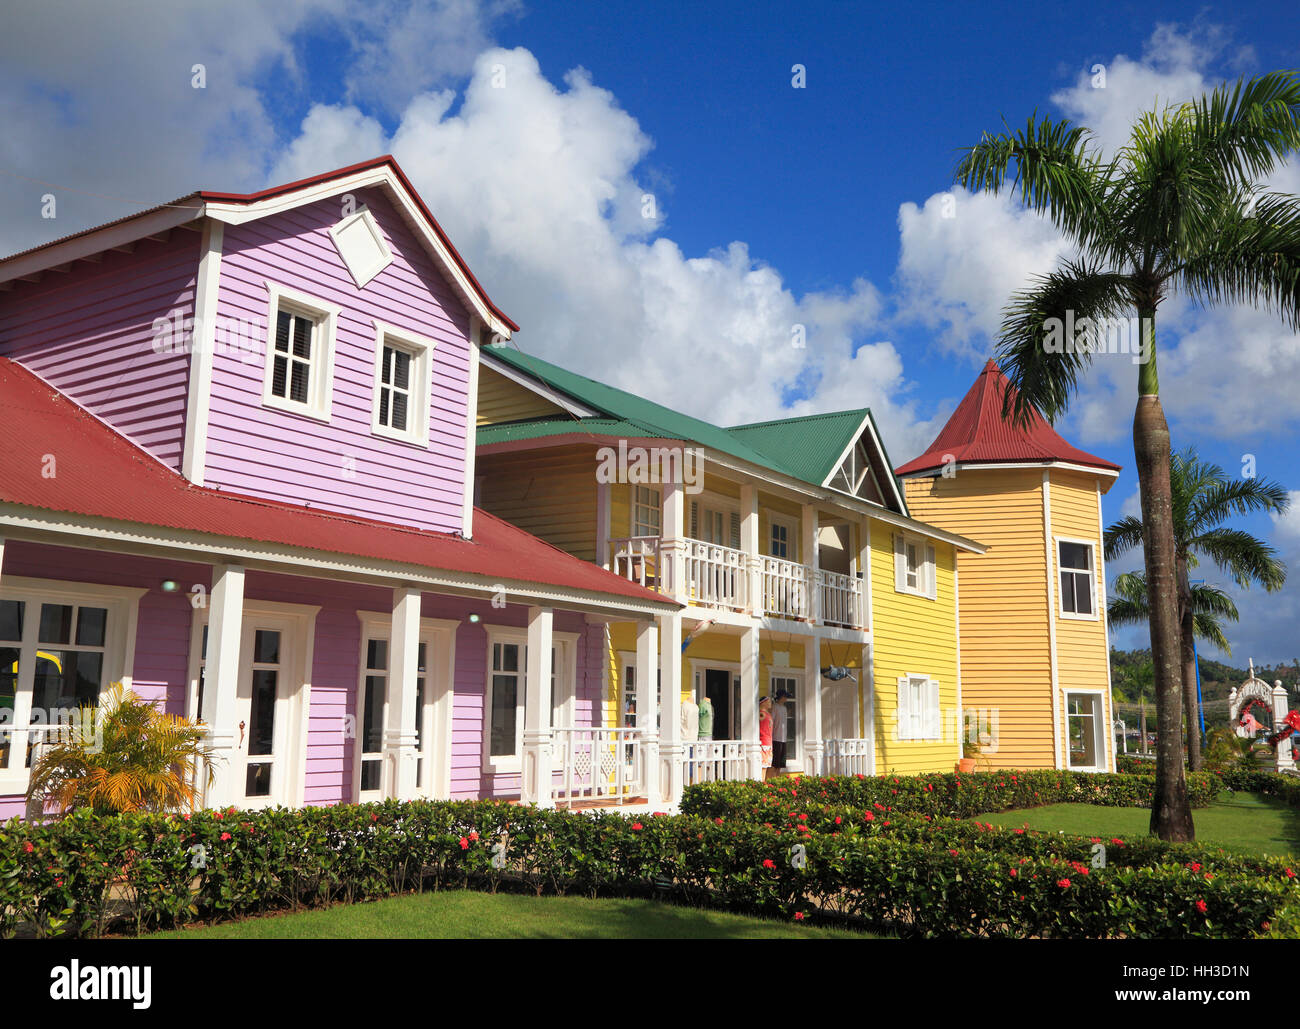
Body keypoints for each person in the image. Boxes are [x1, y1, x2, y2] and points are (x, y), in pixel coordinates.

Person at [771, 690, 790, 772]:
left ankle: (778, 777)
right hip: (776, 737)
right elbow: (772, 720)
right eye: (785, 697)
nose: (786, 699)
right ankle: (773, 778)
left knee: (781, 762)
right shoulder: (775, 707)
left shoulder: (784, 708)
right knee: (775, 762)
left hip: (783, 738)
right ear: (781, 697)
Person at [759, 696, 773, 777]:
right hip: (763, 742)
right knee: (763, 766)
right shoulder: (761, 714)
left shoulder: (767, 714)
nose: (770, 704)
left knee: (767, 765)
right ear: (763, 703)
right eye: (768, 702)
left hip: (768, 742)